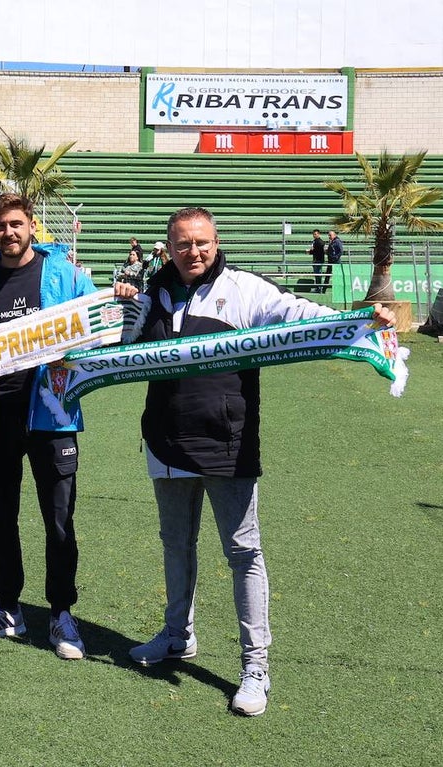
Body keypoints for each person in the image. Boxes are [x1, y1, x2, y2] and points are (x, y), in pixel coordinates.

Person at [128, 206, 395, 716]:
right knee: (176, 545)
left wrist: (359, 318)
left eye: (201, 242)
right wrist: (125, 310)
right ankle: (177, 635)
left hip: (228, 444)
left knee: (243, 552)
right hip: (164, 441)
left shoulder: (246, 289)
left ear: (215, 240)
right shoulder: (153, 292)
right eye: (183, 243)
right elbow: (124, 349)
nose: (193, 252)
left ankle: (256, 666)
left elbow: (298, 314)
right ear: (169, 245)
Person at [0, 193, 137, 657]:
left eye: (16, 224)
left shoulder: (65, 275)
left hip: (52, 417)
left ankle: (61, 614)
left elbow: (96, 332)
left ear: (32, 225)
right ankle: (8, 607)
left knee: (58, 522)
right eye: (0, 226)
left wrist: (119, 300)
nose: (8, 233)